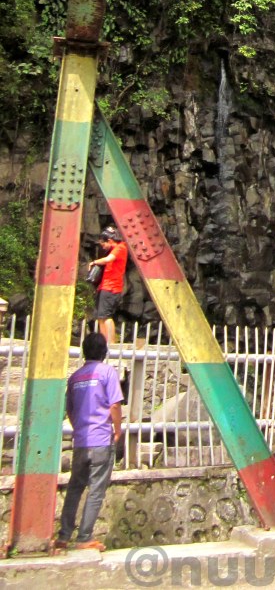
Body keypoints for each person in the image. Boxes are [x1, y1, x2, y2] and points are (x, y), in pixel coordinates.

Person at [54, 332, 124, 551]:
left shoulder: (75, 377)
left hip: (81, 441)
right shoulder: (107, 372)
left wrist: (80, 428)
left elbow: (70, 410)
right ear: (104, 351)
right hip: (101, 439)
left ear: (84, 351)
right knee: (96, 490)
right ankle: (84, 537)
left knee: (75, 487)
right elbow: (114, 405)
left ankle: (64, 536)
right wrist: (117, 430)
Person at [88, 226, 128, 343]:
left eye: (103, 244)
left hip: (112, 287)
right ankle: (104, 342)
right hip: (105, 286)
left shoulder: (120, 248)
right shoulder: (113, 249)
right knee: (101, 317)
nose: (103, 247)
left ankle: (111, 343)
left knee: (106, 316)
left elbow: (108, 259)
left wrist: (94, 262)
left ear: (110, 241)